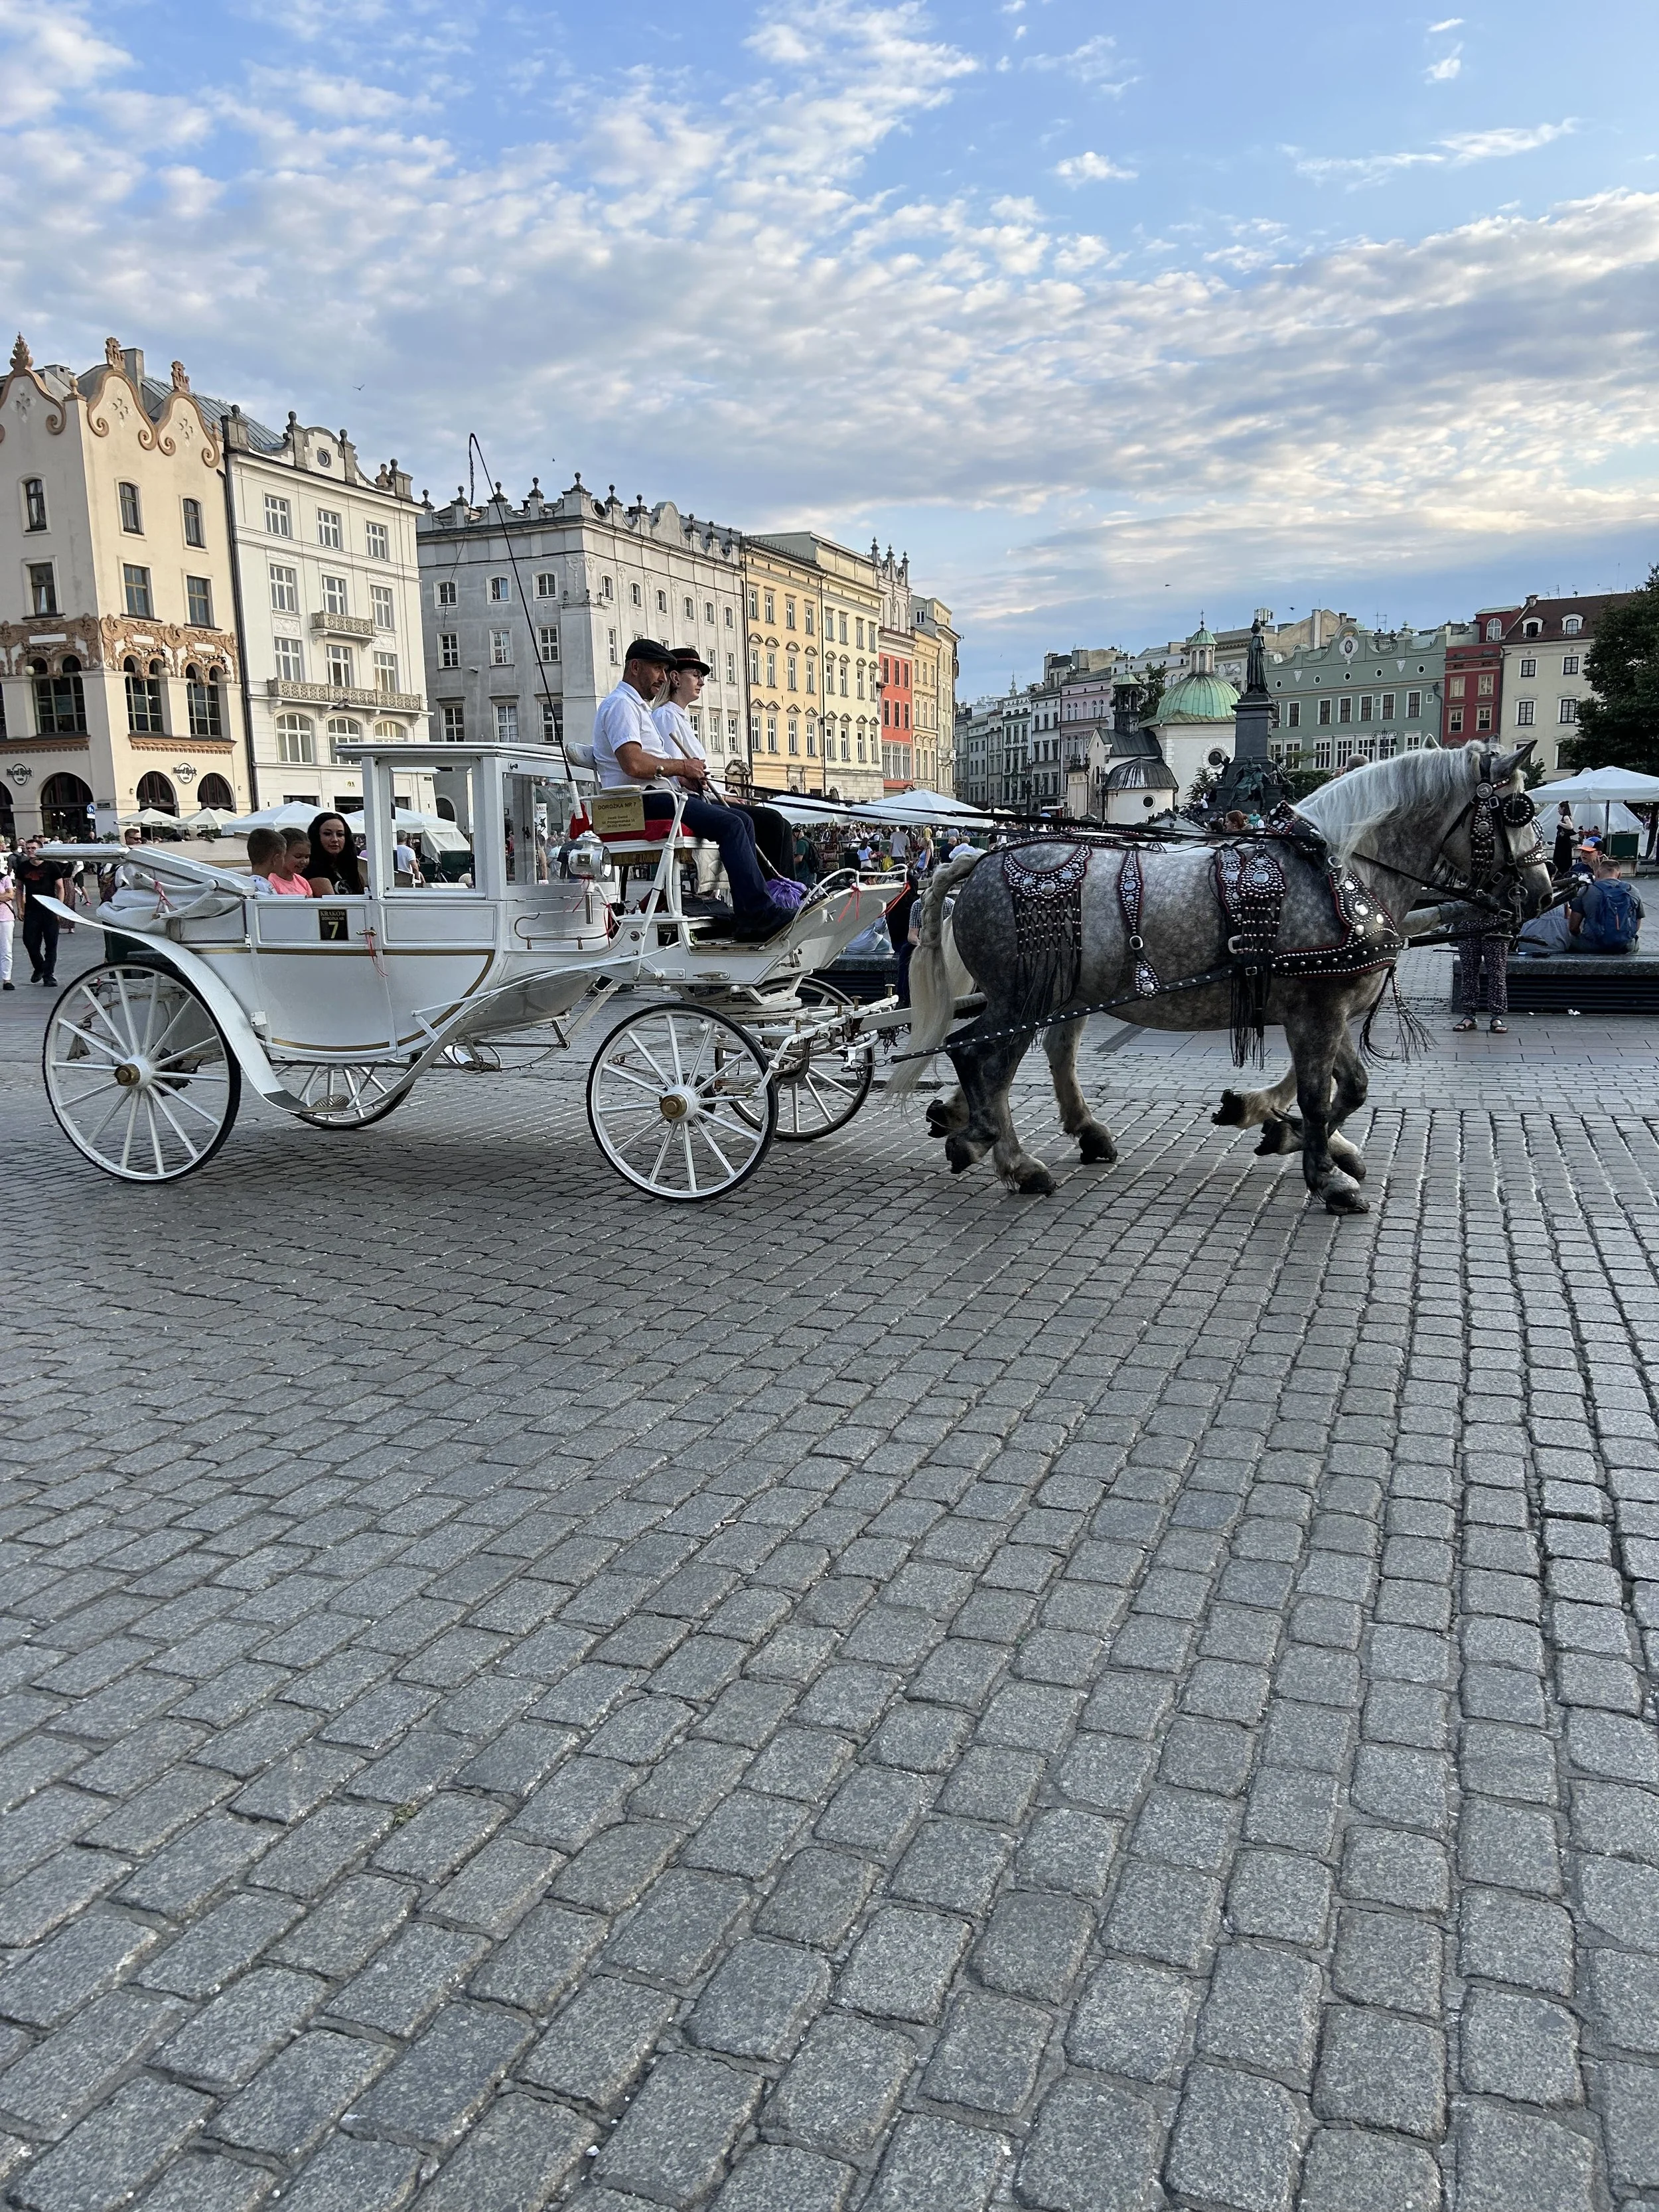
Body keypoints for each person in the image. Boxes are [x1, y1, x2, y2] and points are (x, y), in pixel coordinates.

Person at [594, 638, 777, 938]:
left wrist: (683, 776)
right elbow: (633, 764)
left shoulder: (636, 707)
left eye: (666, 670)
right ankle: (756, 914)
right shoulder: (621, 705)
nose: (663, 678)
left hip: (656, 795)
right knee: (732, 824)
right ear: (635, 667)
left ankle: (756, 907)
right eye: (657, 668)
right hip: (639, 801)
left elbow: (646, 762)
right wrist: (682, 768)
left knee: (742, 820)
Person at [1452, 900, 1514, 1036]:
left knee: (1497, 972)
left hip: (1497, 925)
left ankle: (1496, 1016)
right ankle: (1469, 1015)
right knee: (1468, 972)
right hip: (1468, 924)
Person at [14, 837, 70, 985]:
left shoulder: (51, 866)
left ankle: (48, 975)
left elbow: (60, 887)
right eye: (28, 848)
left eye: (33, 848)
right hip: (32, 910)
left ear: (40, 849)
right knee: (30, 942)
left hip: (50, 909)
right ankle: (39, 967)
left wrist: (59, 908)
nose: (30, 850)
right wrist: (20, 908)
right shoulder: (23, 867)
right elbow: (19, 888)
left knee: (51, 944)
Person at [1570, 853, 1644, 953]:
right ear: (1619, 875)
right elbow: (1637, 925)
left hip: (1592, 945)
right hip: (1625, 946)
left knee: (1570, 941)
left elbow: (1573, 927)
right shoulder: (1633, 890)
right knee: (1635, 941)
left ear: (1598, 874)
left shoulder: (1586, 891)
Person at [305, 812, 366, 896]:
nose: (335, 839)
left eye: (340, 834)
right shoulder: (312, 869)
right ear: (316, 836)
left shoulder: (349, 868)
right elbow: (333, 906)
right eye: (327, 834)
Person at [266, 832, 314, 897]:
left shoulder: (302, 882)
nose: (304, 861)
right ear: (282, 854)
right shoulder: (270, 882)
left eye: (307, 857)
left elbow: (312, 904)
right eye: (298, 856)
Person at [245, 826, 285, 894]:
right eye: (284, 856)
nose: (284, 861)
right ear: (276, 859)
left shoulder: (247, 885)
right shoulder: (265, 889)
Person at [0, 842, 13, 989]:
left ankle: (7, 978)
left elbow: (10, 895)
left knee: (6, 949)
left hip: (5, 917)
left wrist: (5, 896)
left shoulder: (4, 878)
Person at [1551, 803, 1577, 877]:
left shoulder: (1566, 817)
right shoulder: (1566, 817)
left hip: (1563, 843)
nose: (1558, 811)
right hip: (1562, 842)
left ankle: (1562, 873)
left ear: (1563, 808)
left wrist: (1560, 823)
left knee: (1562, 858)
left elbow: (1570, 826)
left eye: (1559, 809)